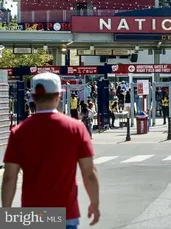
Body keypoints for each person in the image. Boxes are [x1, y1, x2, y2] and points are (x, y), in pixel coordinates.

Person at [1, 72, 100, 228]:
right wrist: (95, 203)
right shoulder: (76, 128)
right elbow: (89, 172)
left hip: (32, 215)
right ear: (58, 96)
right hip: (66, 212)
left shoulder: (19, 131)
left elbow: (9, 176)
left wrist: (6, 211)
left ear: (33, 97)